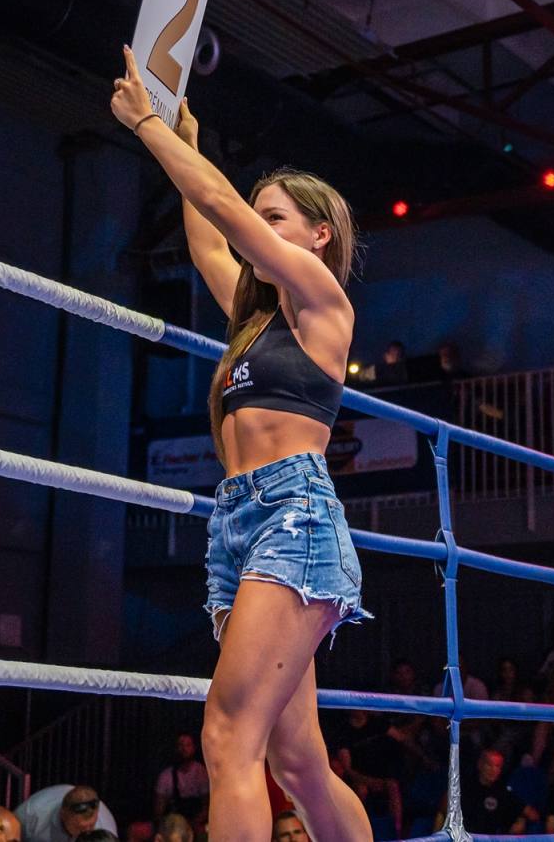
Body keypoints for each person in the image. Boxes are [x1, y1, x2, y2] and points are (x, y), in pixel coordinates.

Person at [110, 61, 368, 842]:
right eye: (259, 217)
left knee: (227, 737)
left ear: (319, 235)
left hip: (293, 517)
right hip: (239, 524)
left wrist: (146, 127)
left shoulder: (323, 304)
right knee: (298, 761)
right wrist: (185, 140)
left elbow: (222, 207)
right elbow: (208, 237)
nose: (257, 226)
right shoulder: (255, 321)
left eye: (275, 218)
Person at [441, 749, 534, 836]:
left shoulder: (503, 792)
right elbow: (444, 808)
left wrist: (521, 820)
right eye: (489, 765)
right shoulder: (464, 786)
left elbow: (532, 814)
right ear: (480, 764)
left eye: (497, 766)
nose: (493, 770)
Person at [13, 786, 117, 842]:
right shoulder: (31, 814)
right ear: (63, 814)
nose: (87, 832)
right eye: (80, 828)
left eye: (92, 825)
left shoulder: (106, 828)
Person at [153, 734, 209, 822]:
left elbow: (207, 806)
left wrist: (194, 823)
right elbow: (159, 811)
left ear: (194, 748)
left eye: (188, 745)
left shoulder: (202, 773)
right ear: (175, 749)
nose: (184, 749)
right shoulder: (166, 776)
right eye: (181, 745)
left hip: (197, 823)